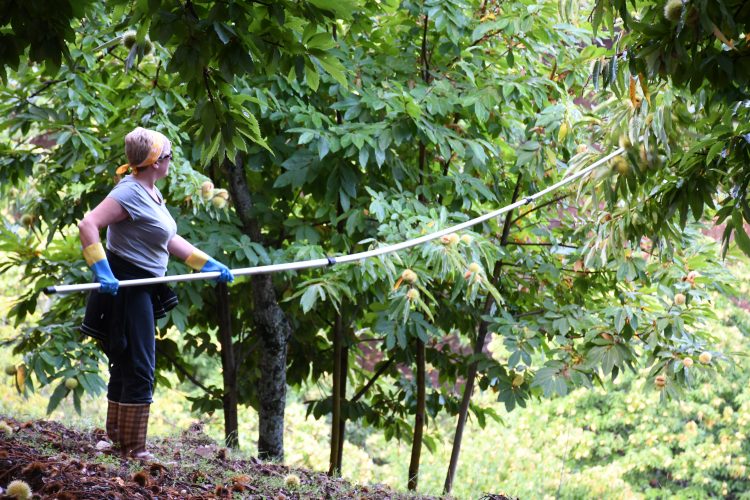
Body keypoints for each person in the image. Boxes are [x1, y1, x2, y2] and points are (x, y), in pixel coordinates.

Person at [77, 127, 233, 459]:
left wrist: (207, 264)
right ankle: (133, 448)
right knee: (139, 364)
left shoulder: (151, 192)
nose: (172, 161)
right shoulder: (129, 192)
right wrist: (101, 269)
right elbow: (88, 224)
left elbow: (167, 239)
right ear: (155, 162)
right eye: (169, 156)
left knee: (126, 359)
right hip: (127, 285)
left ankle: (115, 439)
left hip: (144, 285)